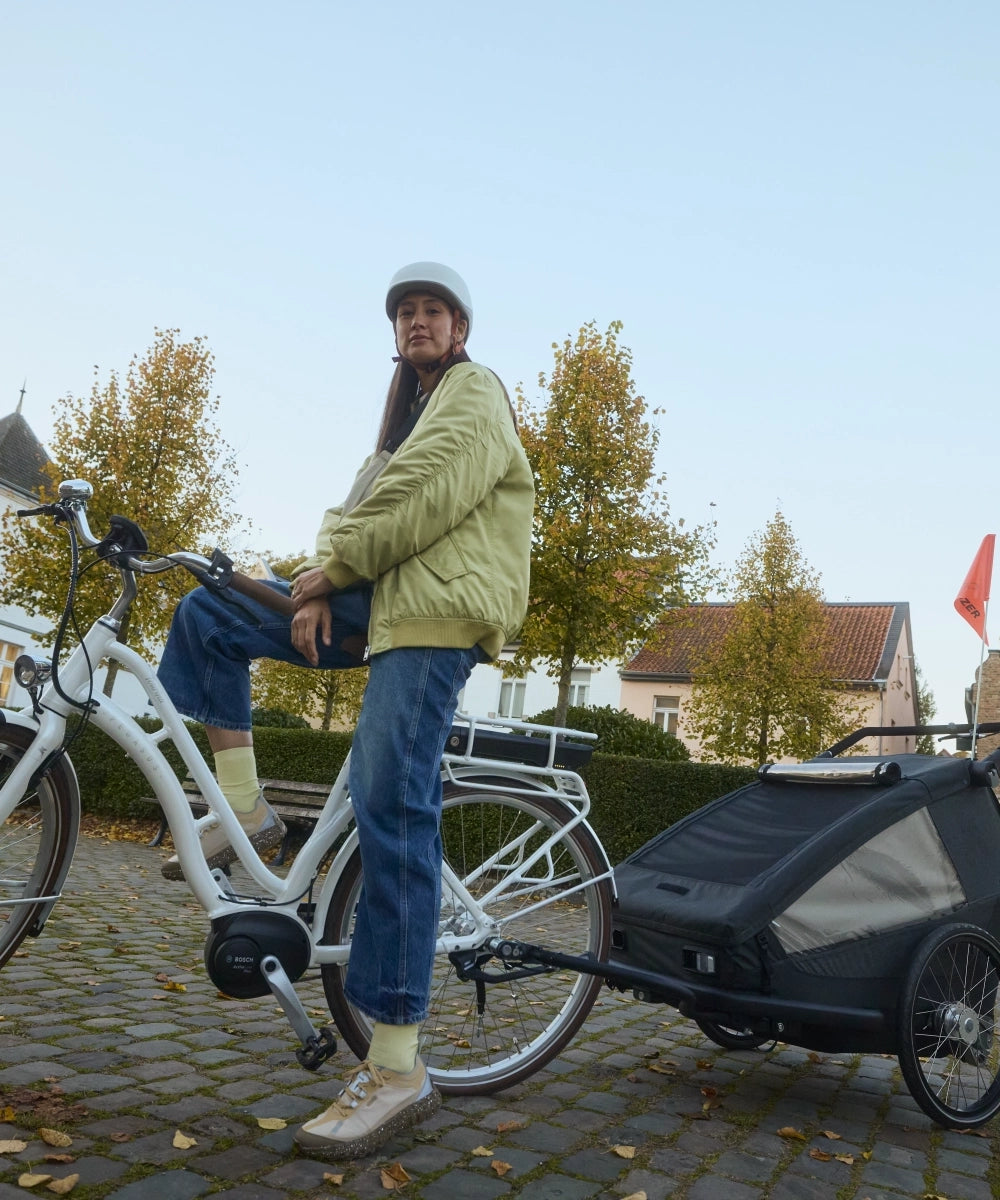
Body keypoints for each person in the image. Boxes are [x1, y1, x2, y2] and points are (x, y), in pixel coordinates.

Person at [155, 262, 534, 1159]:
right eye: (404, 311)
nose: (416, 321)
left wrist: (334, 572)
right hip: (381, 592)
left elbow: (428, 494)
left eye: (432, 309)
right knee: (211, 611)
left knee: (390, 801)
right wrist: (317, 585)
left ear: (460, 326)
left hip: (437, 614)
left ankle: (398, 1064)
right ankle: (245, 807)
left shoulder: (475, 393)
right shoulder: (396, 428)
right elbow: (352, 511)